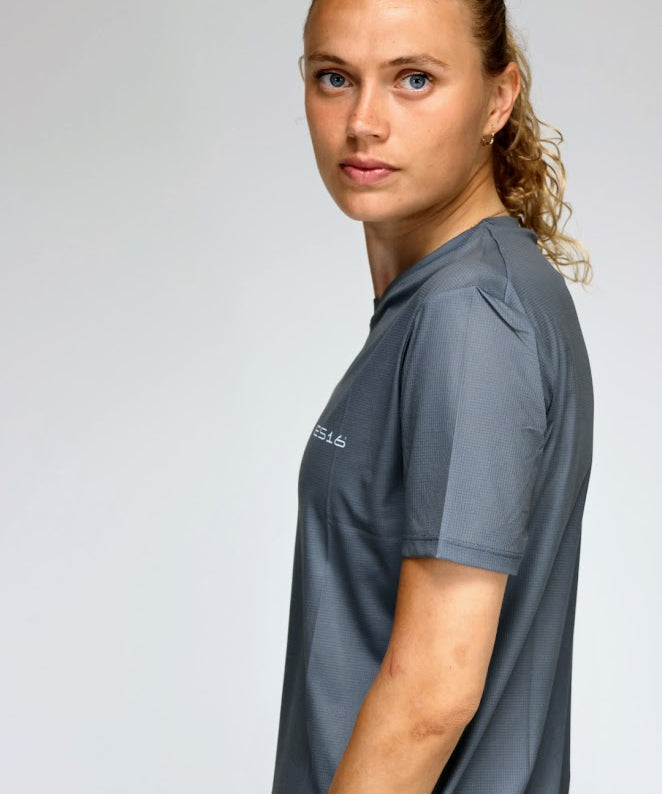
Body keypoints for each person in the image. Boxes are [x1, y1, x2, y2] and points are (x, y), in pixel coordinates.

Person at [272, 0, 593, 791]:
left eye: (413, 79)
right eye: (334, 77)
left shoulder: (469, 318)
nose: (363, 123)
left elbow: (432, 696)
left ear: (498, 98)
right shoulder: (459, 295)